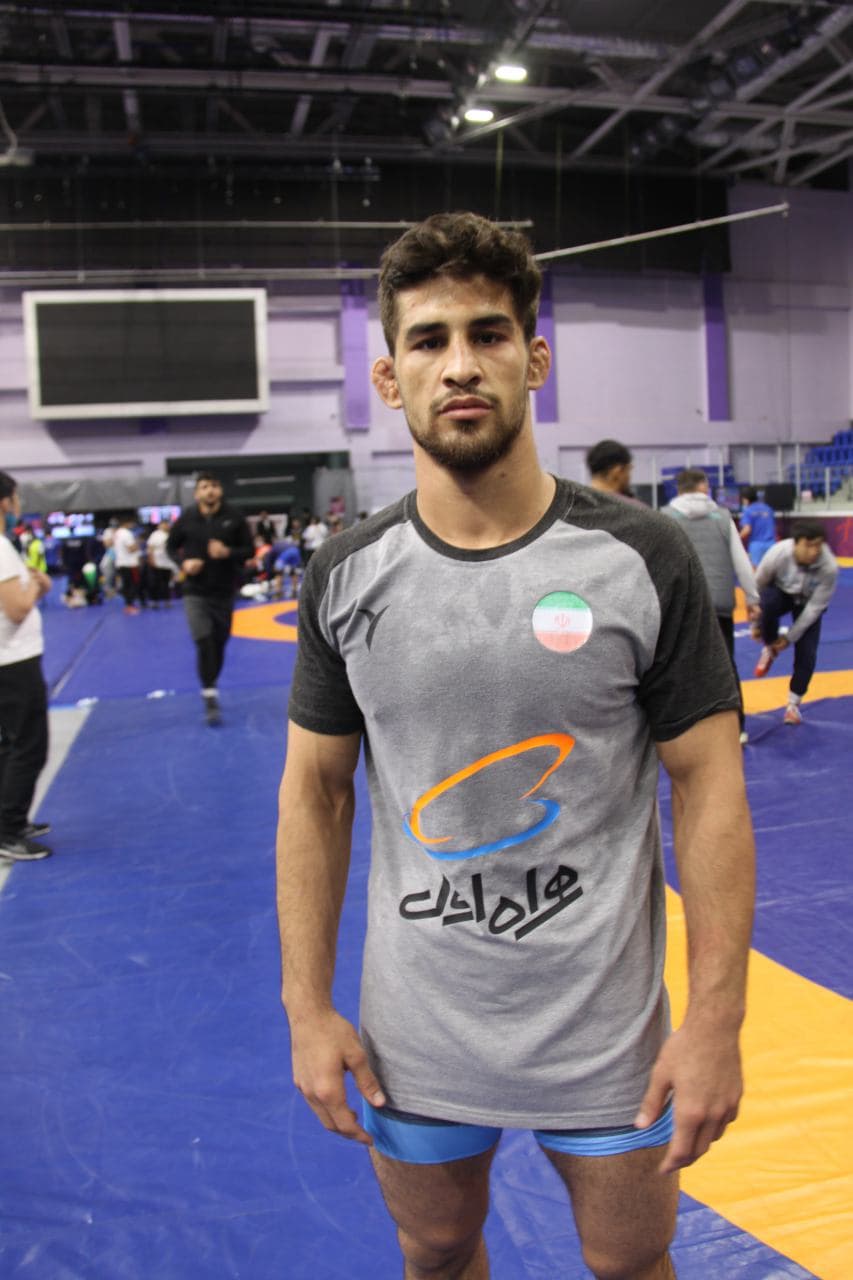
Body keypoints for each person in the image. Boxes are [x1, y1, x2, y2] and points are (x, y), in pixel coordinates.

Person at [276, 212, 756, 1280]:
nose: (460, 364)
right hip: (417, 1035)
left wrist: (717, 1019)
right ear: (389, 377)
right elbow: (315, 792)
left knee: (629, 1259)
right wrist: (305, 1006)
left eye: (487, 334)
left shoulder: (643, 556)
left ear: (534, 359)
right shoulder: (346, 573)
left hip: (608, 1031)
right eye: (429, 339)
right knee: (437, 1249)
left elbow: (709, 785)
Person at [664, 468, 760, 744]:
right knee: (726, 666)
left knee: (681, 667)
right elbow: (741, 561)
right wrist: (752, 599)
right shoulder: (722, 516)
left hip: (683, 605)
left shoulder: (665, 518)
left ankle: (688, 729)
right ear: (704, 488)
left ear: (679, 489)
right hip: (718, 602)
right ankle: (737, 728)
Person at [166, 473, 253, 726]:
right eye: (204, 487)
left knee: (219, 642)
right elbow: (170, 547)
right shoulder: (187, 517)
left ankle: (210, 682)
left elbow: (248, 550)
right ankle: (209, 693)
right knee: (203, 640)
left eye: (214, 485)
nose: (210, 490)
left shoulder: (235, 517)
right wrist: (184, 563)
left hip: (224, 591)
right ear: (197, 493)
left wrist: (228, 552)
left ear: (220, 490)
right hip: (194, 591)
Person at [0, 471, 53, 862]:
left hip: (10, 659)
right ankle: (8, 829)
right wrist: (38, 585)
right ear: (5, 501)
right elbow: (17, 608)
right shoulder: (1, 547)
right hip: (14, 661)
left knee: (9, 744)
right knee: (30, 746)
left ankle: (9, 821)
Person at [752, 518, 839, 725]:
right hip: (782, 593)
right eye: (808, 545)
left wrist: (790, 638)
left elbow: (814, 609)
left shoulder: (829, 567)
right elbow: (757, 586)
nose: (814, 551)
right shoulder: (778, 553)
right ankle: (770, 646)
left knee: (807, 653)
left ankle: (793, 705)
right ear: (795, 543)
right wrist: (757, 624)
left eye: (818, 545)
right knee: (768, 601)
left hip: (808, 602)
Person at [739, 487, 776, 567]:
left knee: (756, 571)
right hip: (771, 544)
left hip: (756, 546)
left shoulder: (748, 510)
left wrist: (737, 538)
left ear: (745, 499)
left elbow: (747, 530)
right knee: (771, 569)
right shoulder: (768, 508)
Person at [146, 518, 178, 607]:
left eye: (167, 524)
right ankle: (154, 601)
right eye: (163, 524)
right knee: (155, 583)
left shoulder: (170, 534)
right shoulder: (155, 535)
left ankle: (167, 601)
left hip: (167, 563)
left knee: (166, 583)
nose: (165, 526)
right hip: (157, 562)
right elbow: (150, 548)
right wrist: (151, 559)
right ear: (159, 525)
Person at [113, 515, 142, 614]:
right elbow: (131, 549)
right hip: (129, 564)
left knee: (126, 584)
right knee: (132, 584)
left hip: (121, 562)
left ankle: (128, 604)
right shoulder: (127, 533)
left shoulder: (117, 533)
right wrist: (138, 543)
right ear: (128, 523)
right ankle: (130, 605)